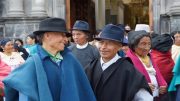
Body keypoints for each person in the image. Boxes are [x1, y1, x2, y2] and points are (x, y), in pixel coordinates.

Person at [3, 18, 96, 101]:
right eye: (62, 35)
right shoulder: (34, 62)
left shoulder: (71, 59)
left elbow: (84, 91)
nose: (66, 39)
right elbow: (11, 85)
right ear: (47, 36)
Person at [85, 24, 153, 101]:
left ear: (119, 47)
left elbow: (145, 98)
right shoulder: (91, 68)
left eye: (109, 43)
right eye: (101, 42)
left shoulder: (128, 70)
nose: (103, 47)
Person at [126, 30, 167, 100]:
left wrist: (161, 87)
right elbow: (124, 84)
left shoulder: (150, 58)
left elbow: (158, 76)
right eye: (143, 44)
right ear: (133, 45)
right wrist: (142, 86)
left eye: (149, 44)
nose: (147, 47)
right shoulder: (127, 61)